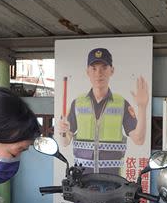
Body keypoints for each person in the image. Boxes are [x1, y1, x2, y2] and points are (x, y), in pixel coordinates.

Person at [55, 47, 149, 176]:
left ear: (112, 70)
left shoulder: (121, 103)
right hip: (82, 179)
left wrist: (142, 107)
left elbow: (139, 140)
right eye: (94, 68)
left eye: (104, 68)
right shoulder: (77, 103)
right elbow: (65, 142)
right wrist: (62, 132)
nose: (98, 73)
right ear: (87, 71)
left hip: (112, 181)